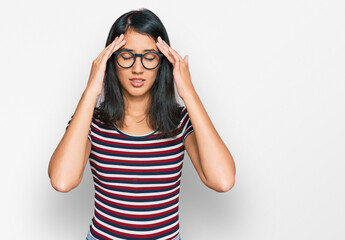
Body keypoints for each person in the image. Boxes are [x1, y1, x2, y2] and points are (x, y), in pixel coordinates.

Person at [48, 8, 236, 240]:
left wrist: (188, 92)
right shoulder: (91, 122)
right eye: (127, 57)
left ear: (162, 63)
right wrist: (91, 90)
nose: (138, 69)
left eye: (149, 58)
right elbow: (62, 181)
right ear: (111, 61)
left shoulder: (180, 122)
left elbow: (223, 180)